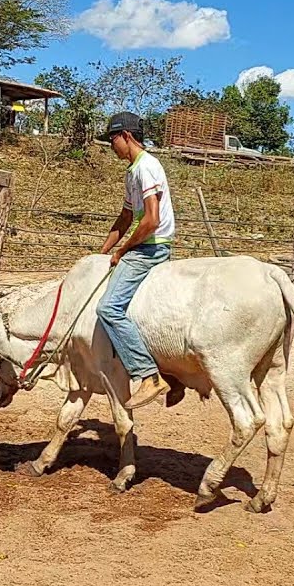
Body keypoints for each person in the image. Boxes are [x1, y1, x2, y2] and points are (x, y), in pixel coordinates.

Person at [95, 112, 176, 410]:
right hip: (144, 245)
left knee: (109, 308)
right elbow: (127, 216)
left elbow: (151, 220)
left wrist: (123, 250)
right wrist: (102, 252)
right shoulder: (132, 171)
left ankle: (148, 376)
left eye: (112, 139)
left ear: (126, 136)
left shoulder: (147, 168)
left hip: (150, 248)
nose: (111, 146)